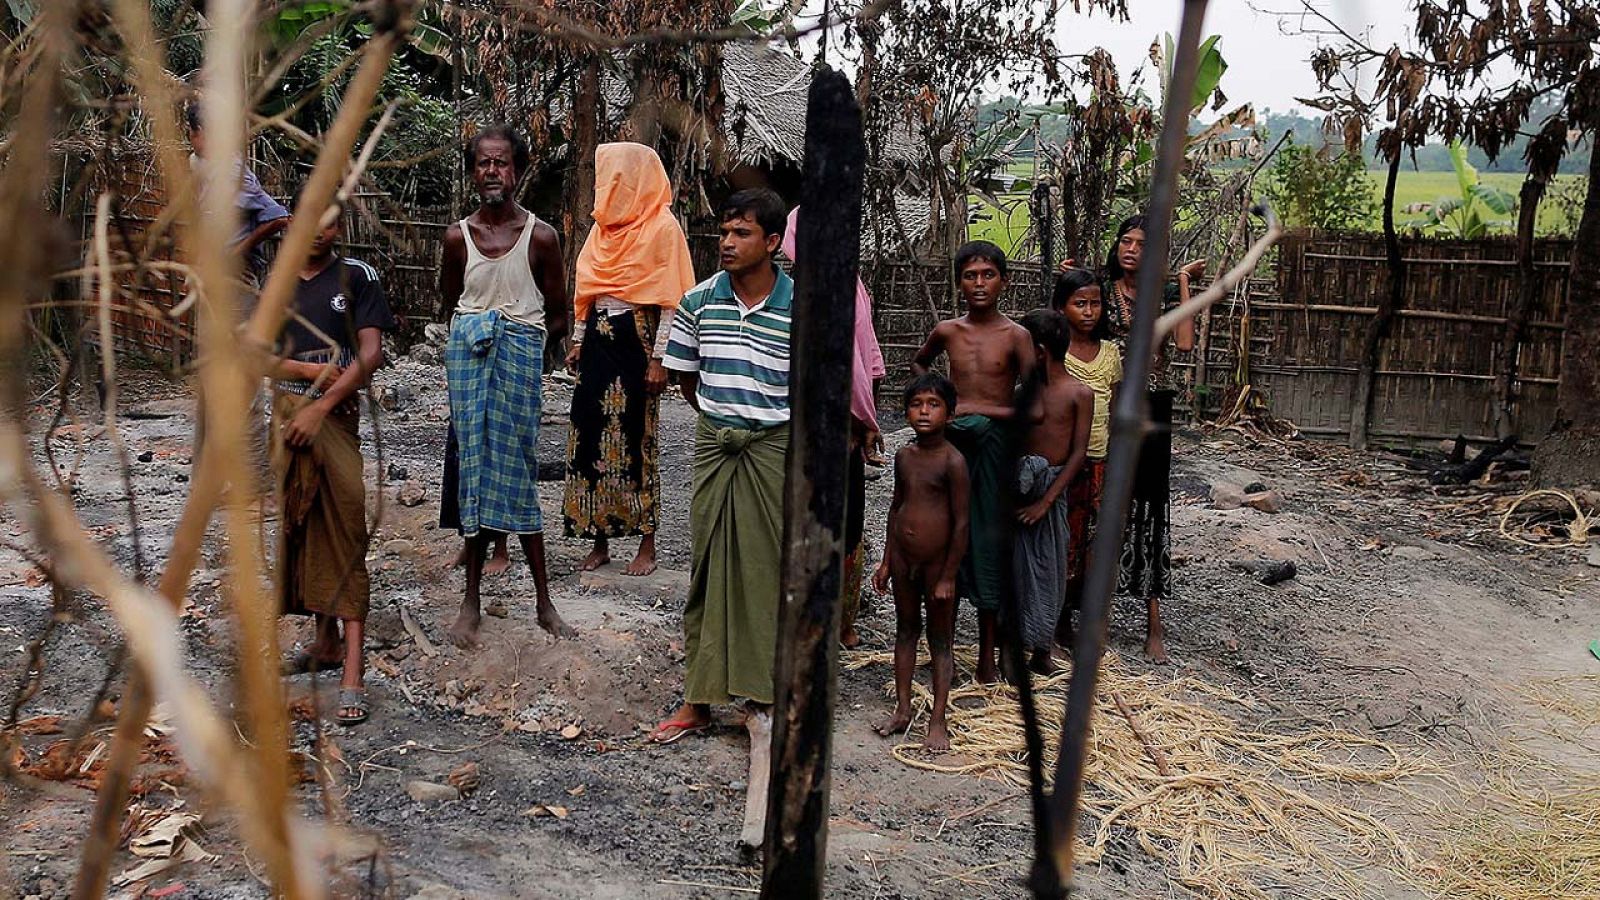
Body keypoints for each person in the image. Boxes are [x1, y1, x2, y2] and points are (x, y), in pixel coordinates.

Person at [648, 188, 794, 747]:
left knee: (765, 567)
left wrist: (763, 425)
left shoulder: (798, 303)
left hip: (774, 448)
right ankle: (699, 698)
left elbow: (809, 386)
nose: (727, 243)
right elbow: (687, 378)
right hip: (716, 445)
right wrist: (722, 420)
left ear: (773, 242)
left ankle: (762, 694)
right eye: (724, 232)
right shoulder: (698, 301)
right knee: (707, 564)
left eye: (742, 234)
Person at [439, 125, 574, 649]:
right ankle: (470, 601)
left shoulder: (541, 237)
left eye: (502, 163)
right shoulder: (458, 238)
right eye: (483, 163)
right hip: (469, 363)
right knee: (472, 468)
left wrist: (520, 349)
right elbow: (450, 304)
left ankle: (544, 602)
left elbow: (558, 316)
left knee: (517, 469)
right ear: (473, 172)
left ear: (517, 171)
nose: (492, 172)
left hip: (518, 362)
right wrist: (480, 338)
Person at [271, 207, 395, 725]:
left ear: (340, 228)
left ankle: (352, 670)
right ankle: (322, 642)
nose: (320, 230)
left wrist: (322, 402)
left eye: (331, 221)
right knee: (299, 525)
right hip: (284, 415)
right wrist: (308, 371)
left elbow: (371, 354)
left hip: (335, 419)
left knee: (344, 526)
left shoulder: (357, 278)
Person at [562, 143, 696, 576]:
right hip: (598, 344)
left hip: (637, 342)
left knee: (637, 438)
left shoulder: (662, 228)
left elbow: (673, 300)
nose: (610, 185)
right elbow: (587, 294)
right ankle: (597, 537)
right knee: (588, 436)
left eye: (616, 176)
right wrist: (579, 340)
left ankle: (647, 544)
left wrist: (662, 360)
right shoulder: (601, 232)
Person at [911, 241, 1035, 684]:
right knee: (943, 536)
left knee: (986, 541)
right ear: (959, 281)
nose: (979, 284)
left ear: (1004, 280)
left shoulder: (1016, 337)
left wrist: (981, 411)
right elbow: (921, 364)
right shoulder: (947, 331)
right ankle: (940, 647)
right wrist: (945, 406)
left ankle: (988, 652)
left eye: (987, 275)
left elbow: (1034, 402)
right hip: (953, 444)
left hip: (996, 446)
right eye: (970, 275)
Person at [778, 206, 887, 648]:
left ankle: (842, 618)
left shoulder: (853, 287)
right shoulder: (787, 292)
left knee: (846, 520)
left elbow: (867, 359)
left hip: (843, 424)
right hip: (798, 422)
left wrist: (866, 420)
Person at [1101, 215, 1205, 663]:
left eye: (1143, 245)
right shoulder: (1102, 294)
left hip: (1152, 408)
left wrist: (1181, 281)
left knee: (1150, 506)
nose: (1131, 250)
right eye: (1125, 241)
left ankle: (1153, 624)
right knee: (1106, 503)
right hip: (1109, 405)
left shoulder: (1161, 298)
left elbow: (1183, 344)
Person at [872, 373, 968, 752]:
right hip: (904, 561)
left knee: (940, 640)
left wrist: (948, 574)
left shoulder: (953, 461)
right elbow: (897, 508)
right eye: (916, 404)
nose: (924, 411)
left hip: (937, 566)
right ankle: (902, 708)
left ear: (950, 413)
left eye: (934, 404)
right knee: (905, 630)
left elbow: (961, 523)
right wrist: (885, 561)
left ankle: (939, 718)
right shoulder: (904, 456)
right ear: (906, 411)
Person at [1014, 309, 1093, 676]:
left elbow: (1078, 454)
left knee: (1048, 569)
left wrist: (1046, 502)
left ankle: (1042, 648)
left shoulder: (1080, 393)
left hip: (1051, 492)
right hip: (1018, 489)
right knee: (1014, 569)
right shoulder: (1021, 392)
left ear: (1040, 351)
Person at [1055, 268, 1122, 652]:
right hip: (1063, 462)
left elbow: (1113, 408)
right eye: (1079, 303)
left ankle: (1090, 620)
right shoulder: (1054, 350)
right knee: (1063, 540)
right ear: (1062, 307)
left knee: (1094, 545)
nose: (1088, 311)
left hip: (1098, 458)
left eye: (1095, 303)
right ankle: (1058, 619)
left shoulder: (1110, 353)